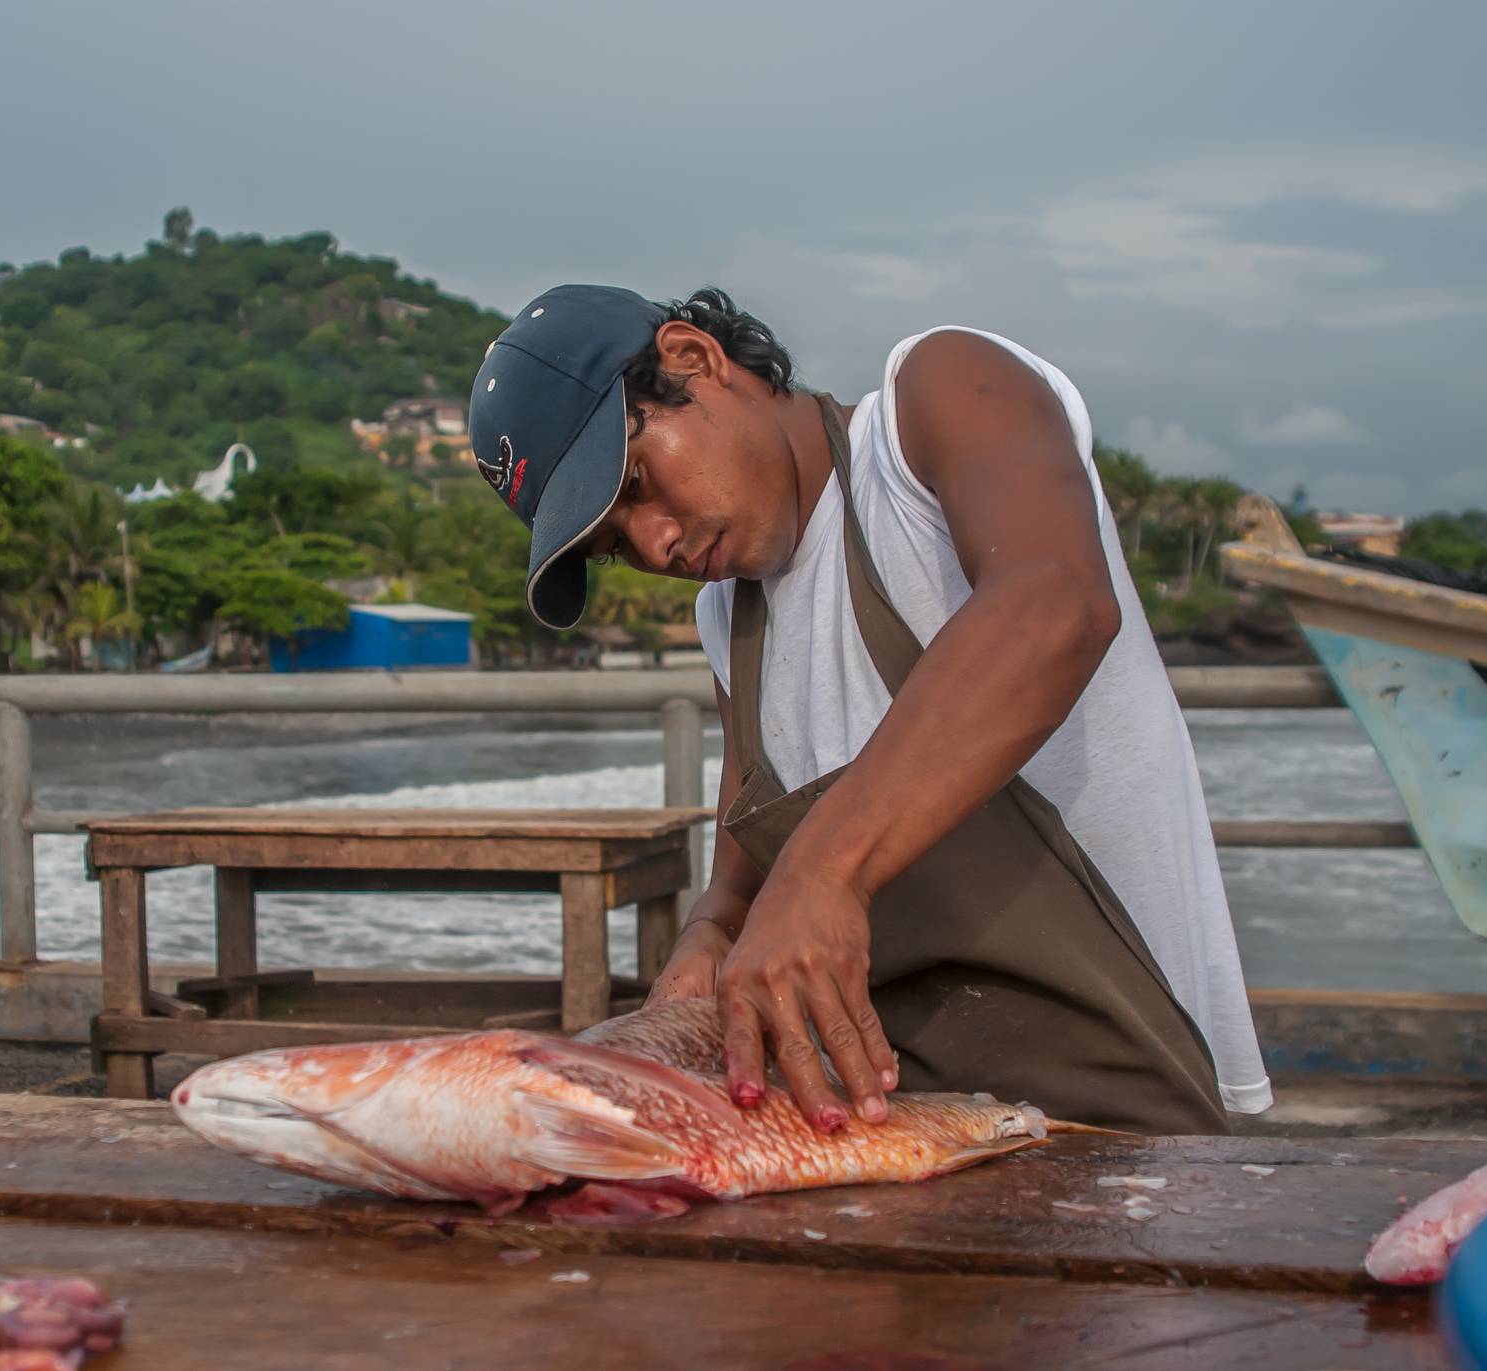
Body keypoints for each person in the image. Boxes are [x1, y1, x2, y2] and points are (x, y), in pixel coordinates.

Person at [466, 284, 1272, 1135]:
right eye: (616, 543)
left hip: (1126, 1113)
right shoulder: (730, 618)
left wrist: (826, 870)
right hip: (916, 1121)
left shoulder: (935, 401)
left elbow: (1056, 605)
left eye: (636, 481)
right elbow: (741, 882)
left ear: (693, 360)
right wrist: (708, 936)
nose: (655, 541)